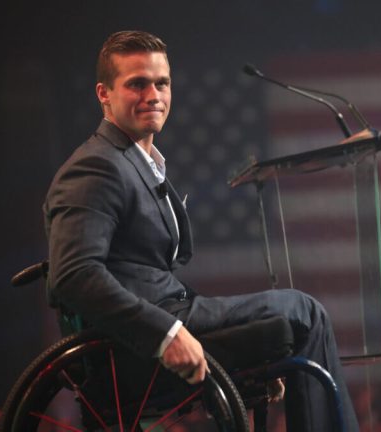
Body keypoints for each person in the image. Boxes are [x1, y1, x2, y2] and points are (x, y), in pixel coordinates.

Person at [44, 30, 357, 432]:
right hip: (143, 337)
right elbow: (74, 275)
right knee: (304, 313)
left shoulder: (135, 161)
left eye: (162, 83)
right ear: (104, 94)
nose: (153, 95)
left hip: (173, 311)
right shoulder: (95, 166)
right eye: (137, 84)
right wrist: (166, 334)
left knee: (301, 314)